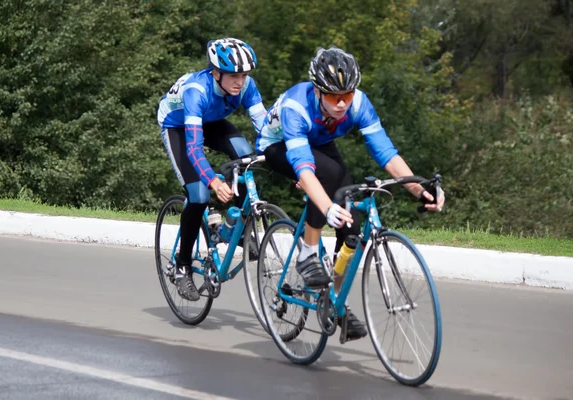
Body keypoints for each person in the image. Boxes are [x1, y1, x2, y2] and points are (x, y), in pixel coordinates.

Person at [256, 46, 445, 340]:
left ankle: (332, 302)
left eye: (347, 94)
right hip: (279, 146)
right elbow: (305, 169)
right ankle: (307, 254)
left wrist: (419, 191)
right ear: (318, 92)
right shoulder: (296, 107)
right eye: (333, 96)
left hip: (320, 141)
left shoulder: (357, 103)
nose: (342, 103)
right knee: (327, 176)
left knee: (352, 229)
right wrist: (327, 208)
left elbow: (385, 153)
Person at [157, 38, 267, 301]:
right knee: (199, 195)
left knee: (246, 156)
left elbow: (267, 127)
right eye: (233, 75)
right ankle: (183, 267)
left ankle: (237, 226)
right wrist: (213, 182)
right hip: (178, 126)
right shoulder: (197, 90)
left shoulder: (246, 86)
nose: (240, 81)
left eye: (244, 74)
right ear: (216, 73)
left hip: (211, 120)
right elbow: (193, 149)